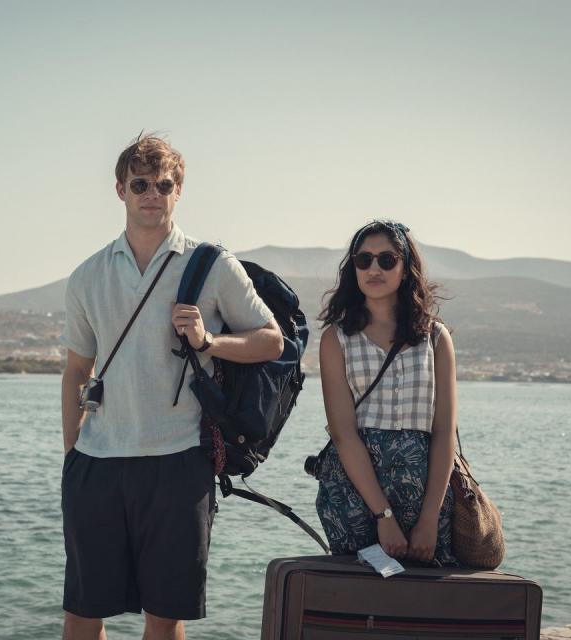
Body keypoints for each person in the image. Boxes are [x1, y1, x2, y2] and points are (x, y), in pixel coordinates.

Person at [59, 134, 283, 640]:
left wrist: (210, 340)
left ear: (178, 191)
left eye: (165, 184)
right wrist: (72, 452)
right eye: (140, 184)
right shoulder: (87, 276)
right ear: (120, 189)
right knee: (81, 614)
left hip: (179, 461)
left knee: (164, 617)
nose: (152, 194)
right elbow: (77, 370)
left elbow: (271, 341)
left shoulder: (211, 264)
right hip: (96, 464)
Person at [315, 219, 458, 565]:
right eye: (363, 261)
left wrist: (428, 520)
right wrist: (384, 516)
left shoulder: (435, 339)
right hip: (355, 493)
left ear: (406, 268)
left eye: (387, 260)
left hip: (426, 493)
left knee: (421, 602)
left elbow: (443, 434)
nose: (373, 268)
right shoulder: (336, 339)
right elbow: (343, 433)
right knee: (361, 596)